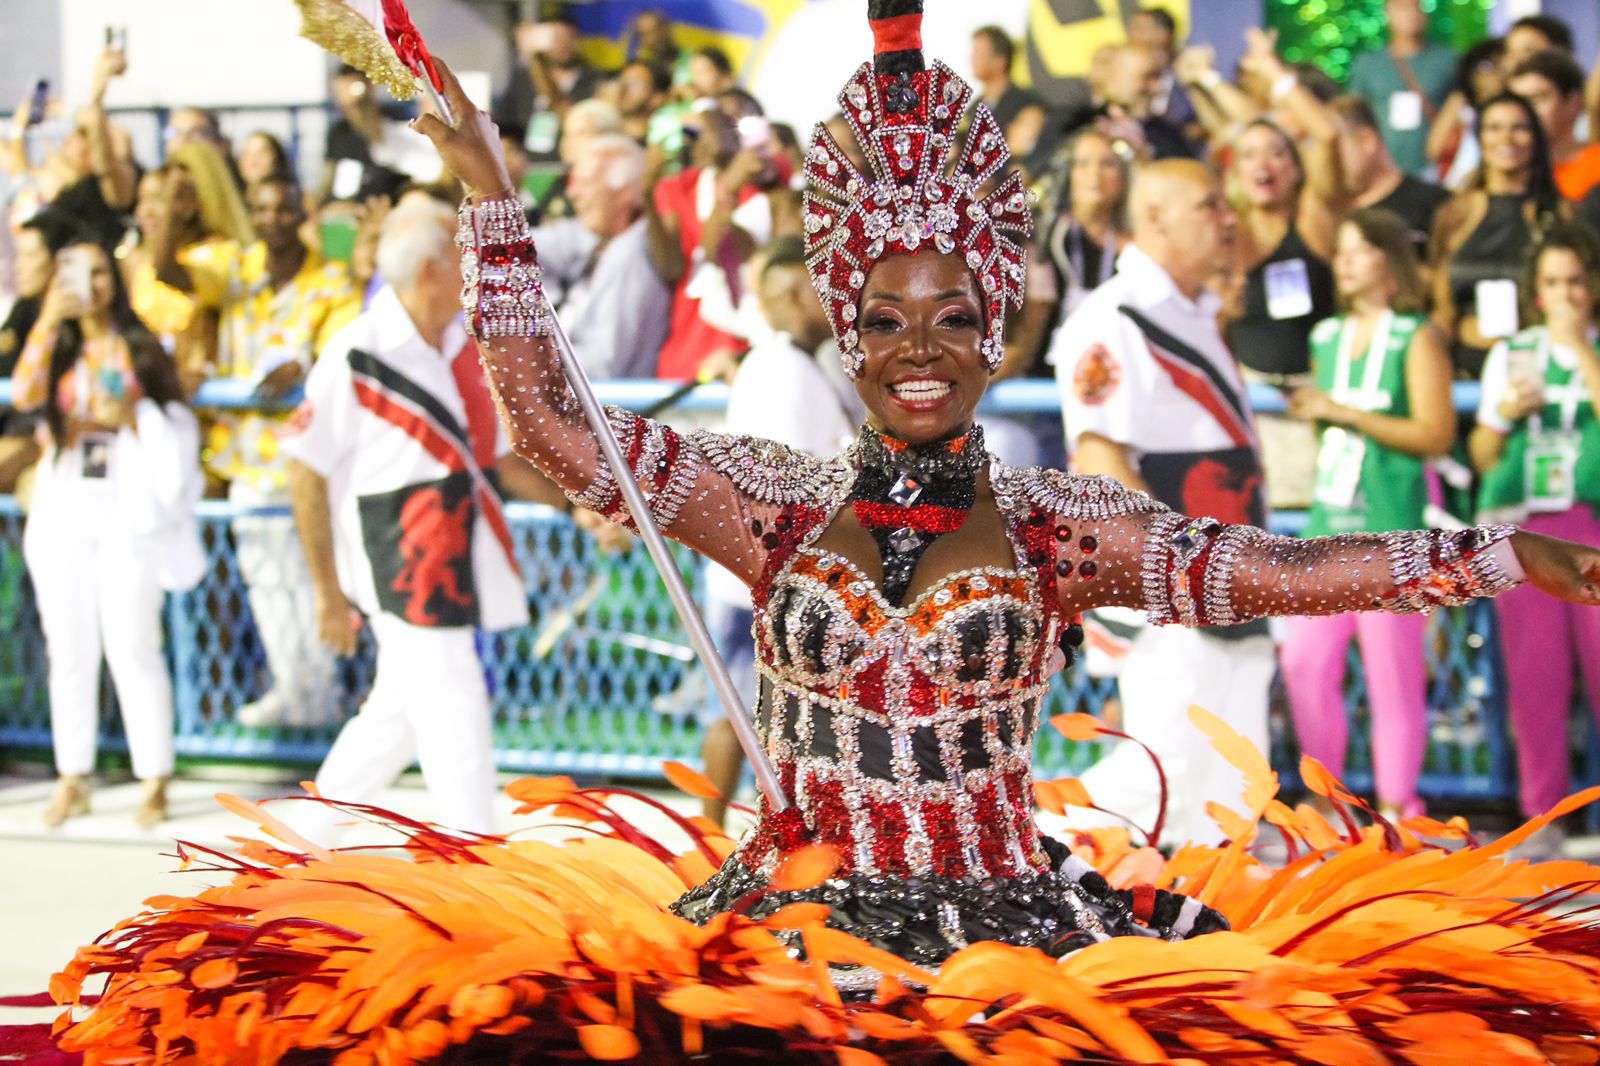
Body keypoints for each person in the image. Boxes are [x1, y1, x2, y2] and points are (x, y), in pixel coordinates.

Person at [53, 9, 1600, 1059]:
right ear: (847, 334)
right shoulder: (770, 501)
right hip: (780, 924)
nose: (917, 343)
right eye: (884, 317)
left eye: (951, 317)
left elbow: (1271, 568)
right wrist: (494, 203)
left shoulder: (1064, 523)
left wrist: (1487, 552)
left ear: (997, 331)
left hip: (1019, 937)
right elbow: (557, 431)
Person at [276, 196, 547, 842]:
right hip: (404, 558)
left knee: (392, 719)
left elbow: (495, 459)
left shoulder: (456, 346)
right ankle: (475, 860)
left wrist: (580, 504)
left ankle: (288, 850)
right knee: (455, 705)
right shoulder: (356, 350)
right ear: (432, 270)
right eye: (461, 257)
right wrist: (325, 589)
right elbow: (303, 470)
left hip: (449, 547)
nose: (471, 268)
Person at [1051, 159, 1278, 846]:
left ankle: (1208, 931)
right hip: (1173, 580)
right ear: (1154, 218)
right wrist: (1181, 572)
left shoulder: (1197, 314)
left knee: (1237, 782)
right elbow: (1102, 461)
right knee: (1165, 770)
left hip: (1234, 567)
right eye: (1209, 204)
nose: (1228, 217)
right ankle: (1023, 850)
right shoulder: (1114, 317)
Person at [149, 174, 363, 729]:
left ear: (302, 211)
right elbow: (164, 272)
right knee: (268, 585)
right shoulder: (237, 271)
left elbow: (340, 356)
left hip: (307, 460)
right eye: (262, 209)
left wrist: (304, 366)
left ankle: (324, 696)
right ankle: (301, 695)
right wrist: (174, 208)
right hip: (246, 457)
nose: (273, 218)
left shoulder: (332, 282)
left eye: (284, 208)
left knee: (318, 578)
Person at [11, 240, 204, 829]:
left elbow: (176, 413)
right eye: (76, 272)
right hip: (67, 500)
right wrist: (48, 316)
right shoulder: (60, 346)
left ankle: (155, 777)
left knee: (132, 643)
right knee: (68, 647)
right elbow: (23, 395)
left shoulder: (139, 346)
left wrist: (132, 418)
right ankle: (74, 774)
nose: (89, 284)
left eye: (98, 272)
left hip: (128, 506)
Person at [1281, 209, 1457, 823]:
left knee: (1393, 679)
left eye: (1358, 250)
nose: (1345, 261)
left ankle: (1399, 812)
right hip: (1326, 529)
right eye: (1344, 251)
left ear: (1388, 259)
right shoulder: (1325, 337)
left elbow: (1436, 432)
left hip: (1392, 532)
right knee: (1303, 660)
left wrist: (1343, 411)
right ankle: (1328, 800)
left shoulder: (1416, 336)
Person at [699, 237, 858, 829]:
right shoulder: (781, 369)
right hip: (765, 576)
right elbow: (785, 481)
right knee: (743, 714)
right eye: (826, 288)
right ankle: (709, 839)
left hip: (767, 574)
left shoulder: (792, 365)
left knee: (762, 716)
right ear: (795, 294)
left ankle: (727, 835)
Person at [1469, 223, 1600, 855]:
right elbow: (1480, 450)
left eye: (1576, 280)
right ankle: (1542, 815)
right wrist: (1503, 415)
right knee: (1535, 680)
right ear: (1537, 292)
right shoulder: (1512, 353)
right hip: (1529, 526)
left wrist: (1582, 353)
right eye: (1552, 282)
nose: (1566, 294)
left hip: (1593, 521)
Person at [1430, 92, 1564, 379]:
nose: (1507, 139)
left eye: (1519, 127)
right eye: (1494, 128)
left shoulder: (1556, 215)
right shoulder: (1455, 213)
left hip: (1535, 363)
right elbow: (1440, 303)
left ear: (1535, 138)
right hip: (1463, 365)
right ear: (1479, 137)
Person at [530, 134, 671, 378]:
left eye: (585, 183)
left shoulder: (631, 256)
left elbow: (606, 363)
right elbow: (536, 245)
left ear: (625, 192)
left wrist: (530, 356)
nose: (572, 194)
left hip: (606, 404)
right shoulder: (600, 239)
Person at [1006, 128, 1129, 378]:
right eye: (1082, 164)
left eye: (1107, 164)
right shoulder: (1048, 235)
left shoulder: (1136, 247)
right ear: (1067, 173)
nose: (1095, 175)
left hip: (1117, 371)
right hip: (1047, 377)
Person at [1345, 0, 1455, 178]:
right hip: (1383, 168)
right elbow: (1354, 115)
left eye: (1416, 6)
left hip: (1436, 167)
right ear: (1388, 15)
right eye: (1403, 8)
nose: (1411, 14)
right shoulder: (1368, 64)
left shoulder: (1448, 61)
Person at [1335, 95, 1449, 260]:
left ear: (1366, 140)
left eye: (1333, 148)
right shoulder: (1331, 215)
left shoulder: (1435, 204)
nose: (1323, 162)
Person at [493, 13, 605, 162]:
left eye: (568, 38)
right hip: (527, 163)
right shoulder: (524, 78)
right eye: (556, 39)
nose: (562, 45)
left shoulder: (595, 79)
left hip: (570, 162)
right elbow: (504, 120)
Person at [1506, 49, 1600, 204]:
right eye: (1519, 102)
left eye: (1539, 98)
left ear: (1574, 102)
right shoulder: (1500, 170)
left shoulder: (1596, 165)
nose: (1527, 111)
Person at [969, 26, 1045, 163]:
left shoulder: (1025, 102)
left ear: (1000, 60)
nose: (972, 59)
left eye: (979, 53)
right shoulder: (973, 108)